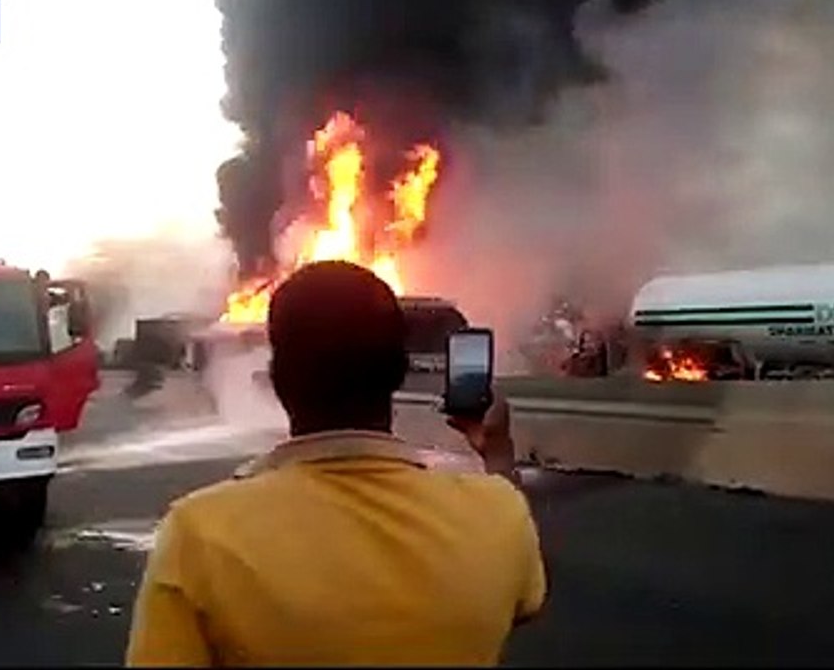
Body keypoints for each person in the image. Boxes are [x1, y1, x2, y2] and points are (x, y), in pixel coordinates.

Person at [126, 260, 545, 667]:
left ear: (275, 379)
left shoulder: (199, 535)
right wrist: (498, 454)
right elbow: (524, 598)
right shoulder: (495, 514)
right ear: (400, 372)